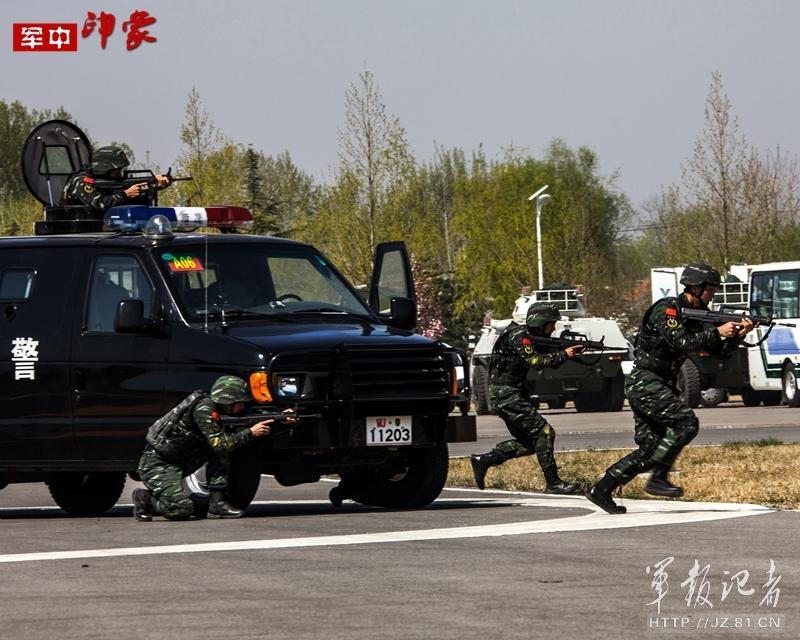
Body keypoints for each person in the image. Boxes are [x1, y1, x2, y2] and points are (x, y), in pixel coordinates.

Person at [586, 262, 754, 514]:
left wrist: (737, 335)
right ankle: (659, 478)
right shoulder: (668, 310)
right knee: (686, 422)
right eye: (710, 289)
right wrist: (719, 331)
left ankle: (601, 489)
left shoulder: (701, 314)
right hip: (645, 381)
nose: (713, 294)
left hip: (661, 382)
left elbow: (718, 353)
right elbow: (680, 342)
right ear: (695, 288)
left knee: (651, 450)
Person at [470, 302, 585, 494]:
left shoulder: (531, 336)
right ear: (541, 322)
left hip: (509, 392)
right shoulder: (518, 335)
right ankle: (553, 483)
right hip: (505, 393)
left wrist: (565, 352)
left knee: (532, 443)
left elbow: (547, 362)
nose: (553, 328)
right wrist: (564, 355)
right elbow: (535, 361)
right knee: (545, 432)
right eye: (552, 324)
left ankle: (484, 460)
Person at [132, 375, 276, 521]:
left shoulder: (220, 407)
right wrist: (250, 433)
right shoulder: (204, 409)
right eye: (240, 403)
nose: (243, 407)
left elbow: (250, 414)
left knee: (219, 452)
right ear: (228, 401)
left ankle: (217, 502)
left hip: (184, 458)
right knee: (181, 509)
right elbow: (220, 444)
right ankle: (145, 499)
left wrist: (280, 418)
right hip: (160, 463)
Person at [60, 145, 171, 216]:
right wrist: (126, 194)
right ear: (105, 168)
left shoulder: (107, 182)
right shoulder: (82, 182)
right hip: (78, 232)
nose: (119, 174)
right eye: (116, 170)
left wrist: (153, 186)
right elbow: (100, 204)